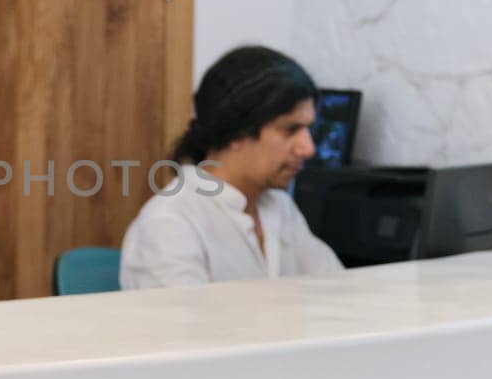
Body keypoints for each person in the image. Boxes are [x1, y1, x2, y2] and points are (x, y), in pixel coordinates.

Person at [120, 45, 343, 289]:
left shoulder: (279, 207)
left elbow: (336, 290)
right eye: (290, 130)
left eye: (308, 129)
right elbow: (183, 327)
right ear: (236, 132)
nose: (308, 149)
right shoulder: (170, 224)